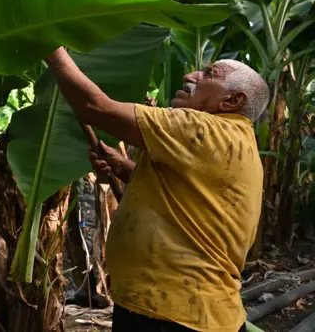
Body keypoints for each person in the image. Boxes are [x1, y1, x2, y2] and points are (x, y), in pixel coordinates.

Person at [46, 47, 269, 332]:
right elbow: (191, 198)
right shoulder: (236, 140)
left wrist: (51, 49)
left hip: (171, 316)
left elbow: (95, 107)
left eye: (209, 73)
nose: (191, 75)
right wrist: (125, 168)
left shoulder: (203, 129)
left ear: (232, 100)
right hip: (181, 310)